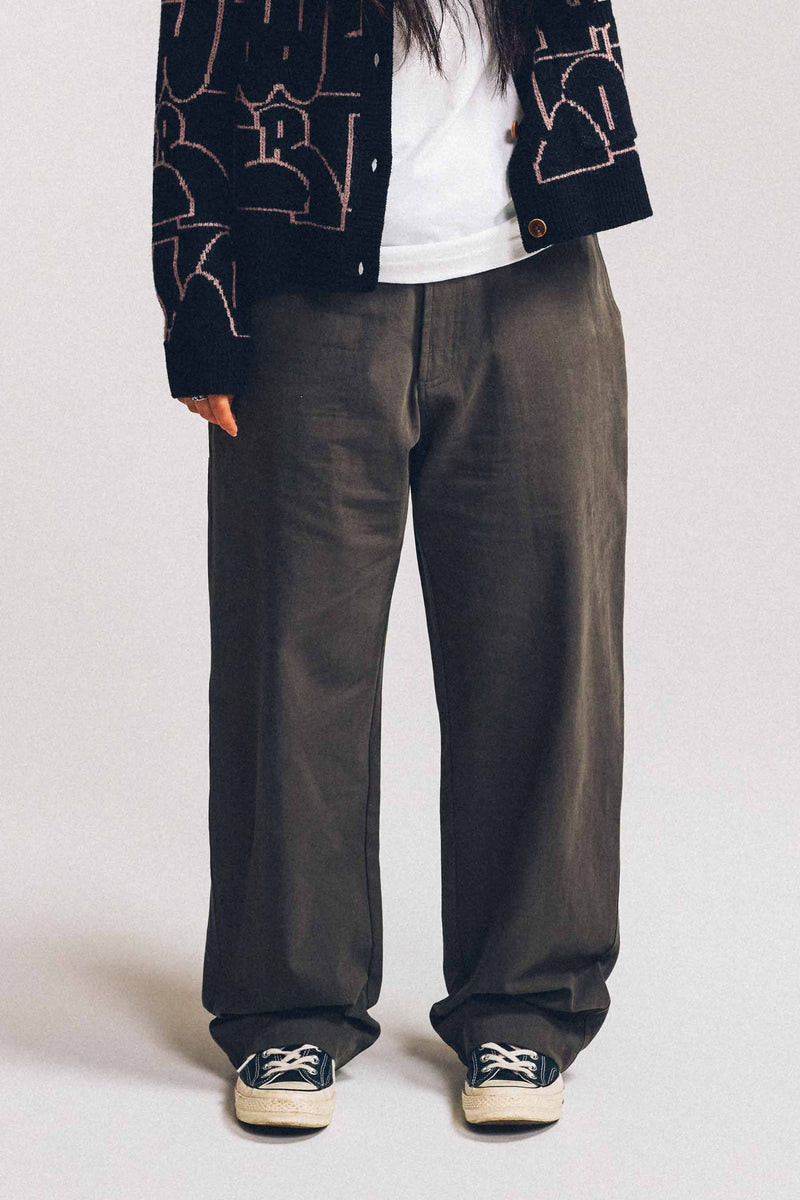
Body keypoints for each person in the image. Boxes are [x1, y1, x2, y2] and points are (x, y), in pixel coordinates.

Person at [151, 0, 652, 1130]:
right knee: (291, 662)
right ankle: (288, 1011)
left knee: (542, 656)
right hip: (304, 304)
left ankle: (525, 1007)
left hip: (534, 286)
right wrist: (199, 308)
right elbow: (193, 88)